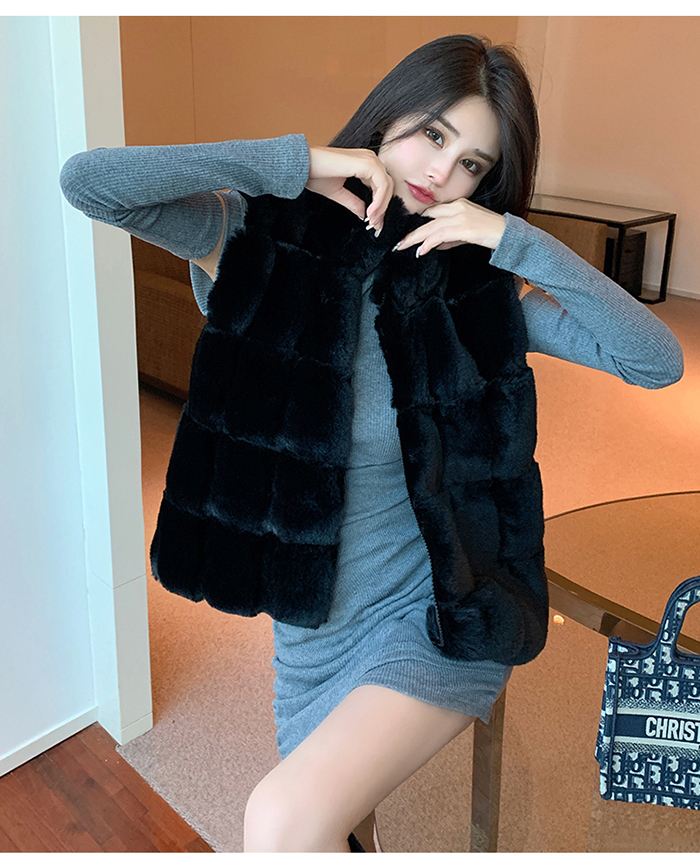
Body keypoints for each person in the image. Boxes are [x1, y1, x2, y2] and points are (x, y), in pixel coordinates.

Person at [60, 33, 683, 853]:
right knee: (332, 825)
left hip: (438, 612)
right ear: (389, 117)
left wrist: (515, 241)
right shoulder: (260, 240)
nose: (442, 172)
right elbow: (89, 182)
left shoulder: (474, 290)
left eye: (472, 164)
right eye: (434, 134)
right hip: (309, 626)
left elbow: (655, 360)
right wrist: (300, 163)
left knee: (281, 817)